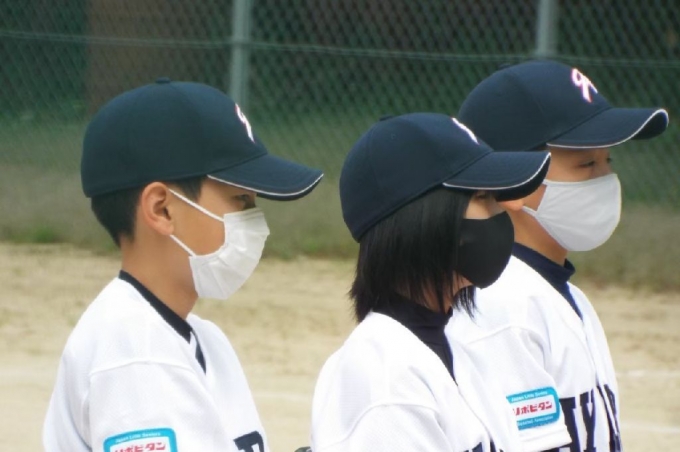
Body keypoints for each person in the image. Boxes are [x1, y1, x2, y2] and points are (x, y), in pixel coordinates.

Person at [43, 78, 323, 452]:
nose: (255, 221)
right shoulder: (132, 353)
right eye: (241, 199)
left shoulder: (202, 339)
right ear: (161, 209)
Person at [447, 60, 669, 452]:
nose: (606, 179)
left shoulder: (563, 296)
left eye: (608, 161)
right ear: (513, 183)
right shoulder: (503, 309)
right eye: (587, 164)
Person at [310, 112, 552, 452]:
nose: (502, 212)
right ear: (424, 218)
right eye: (482, 197)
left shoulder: (454, 347)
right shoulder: (386, 380)